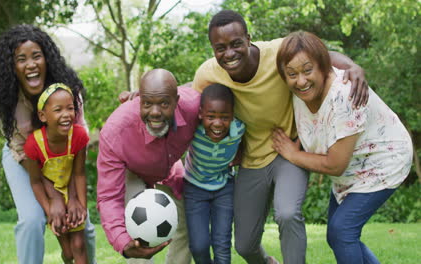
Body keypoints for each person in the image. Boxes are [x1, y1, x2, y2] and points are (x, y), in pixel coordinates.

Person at [191, 10, 369, 264]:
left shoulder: (276, 53)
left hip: (289, 152)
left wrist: (352, 66)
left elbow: (323, 56)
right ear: (213, 49)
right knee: (244, 244)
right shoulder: (208, 73)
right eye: (220, 48)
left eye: (236, 44)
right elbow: (187, 98)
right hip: (252, 160)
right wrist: (142, 95)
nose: (229, 53)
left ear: (248, 38)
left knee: (287, 213)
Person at [272, 31, 412, 264]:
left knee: (342, 231)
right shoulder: (303, 86)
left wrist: (293, 154)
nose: (301, 81)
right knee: (338, 235)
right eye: (292, 74)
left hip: (384, 161)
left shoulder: (344, 96)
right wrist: (352, 64)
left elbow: (334, 165)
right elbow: (327, 55)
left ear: (323, 68)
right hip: (354, 165)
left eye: (308, 71)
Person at [0, 24, 96, 264]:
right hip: (23, 160)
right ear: (12, 67)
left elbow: (77, 141)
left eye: (36, 56)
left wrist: (74, 198)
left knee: (81, 225)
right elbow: (19, 150)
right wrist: (53, 197)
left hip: (63, 158)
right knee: (32, 221)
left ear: (47, 60)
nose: (31, 64)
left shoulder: (68, 93)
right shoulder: (6, 102)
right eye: (21, 59)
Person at [97, 69, 196, 263]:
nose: (155, 112)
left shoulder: (192, 106)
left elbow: (213, 82)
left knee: (189, 220)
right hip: (131, 172)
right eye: (147, 103)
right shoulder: (115, 133)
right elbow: (109, 196)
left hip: (168, 168)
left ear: (176, 101)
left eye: (164, 104)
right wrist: (122, 242)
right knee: (139, 230)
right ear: (139, 100)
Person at [24, 83, 89, 264]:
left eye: (70, 108)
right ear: (43, 116)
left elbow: (79, 174)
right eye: (58, 110)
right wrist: (50, 209)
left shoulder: (79, 136)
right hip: (52, 199)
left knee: (79, 245)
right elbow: (36, 182)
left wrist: (81, 207)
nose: (66, 114)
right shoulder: (33, 144)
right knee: (68, 252)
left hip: (73, 192)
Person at [183, 83, 245, 264]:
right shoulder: (193, 128)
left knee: (222, 244)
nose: (217, 123)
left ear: (232, 116)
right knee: (199, 246)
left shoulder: (239, 129)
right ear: (201, 113)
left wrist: (241, 153)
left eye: (224, 117)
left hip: (224, 188)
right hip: (194, 188)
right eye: (211, 117)